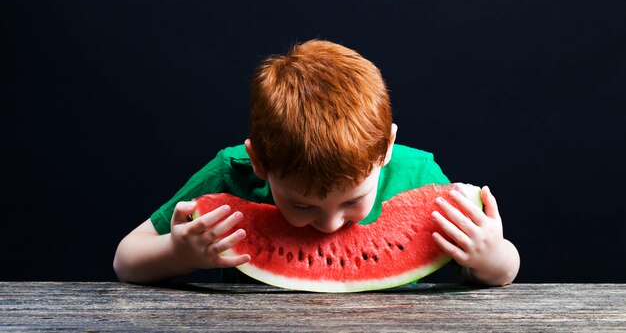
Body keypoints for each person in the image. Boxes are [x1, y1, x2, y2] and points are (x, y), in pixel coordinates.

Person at [113, 39, 520, 286]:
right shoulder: (228, 174)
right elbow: (126, 258)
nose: (329, 225)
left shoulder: (421, 180)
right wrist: (178, 254)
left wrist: (492, 258)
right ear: (258, 162)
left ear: (387, 148)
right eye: (302, 205)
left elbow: (500, 272)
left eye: (352, 201)